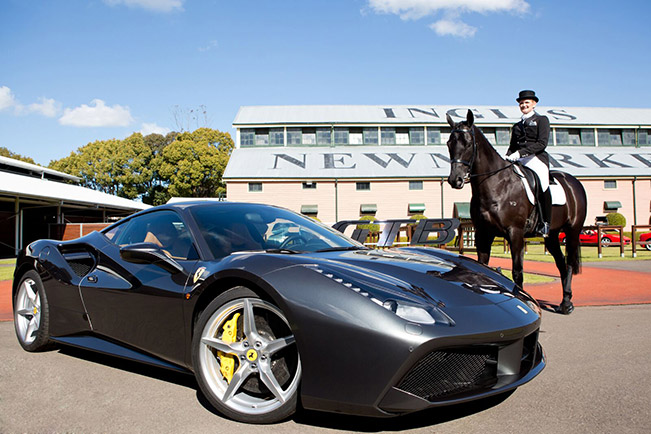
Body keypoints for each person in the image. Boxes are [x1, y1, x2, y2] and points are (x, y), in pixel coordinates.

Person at [505, 90, 552, 237]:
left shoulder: (542, 120)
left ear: (534, 104)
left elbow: (542, 143)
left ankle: (545, 222)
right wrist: (506, 158)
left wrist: (520, 153)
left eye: (527, 103)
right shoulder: (517, 126)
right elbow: (512, 146)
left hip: (536, 158)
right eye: (521, 103)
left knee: (542, 183)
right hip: (519, 159)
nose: (524, 105)